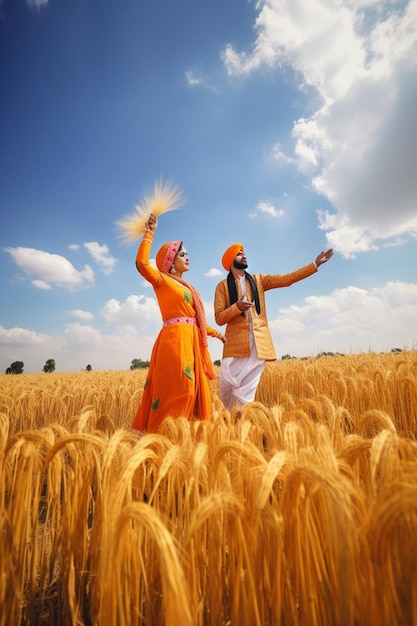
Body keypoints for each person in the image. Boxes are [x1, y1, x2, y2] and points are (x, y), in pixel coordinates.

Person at [132, 214, 226, 433]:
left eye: (187, 254)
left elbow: (197, 321)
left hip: (191, 343)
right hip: (174, 342)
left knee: (192, 392)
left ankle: (184, 444)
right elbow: (141, 264)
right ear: (170, 261)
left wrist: (218, 335)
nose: (188, 257)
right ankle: (160, 441)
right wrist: (150, 233)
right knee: (178, 390)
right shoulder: (162, 281)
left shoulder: (188, 288)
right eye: (183, 254)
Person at [213, 243, 333, 411]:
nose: (244, 256)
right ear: (231, 260)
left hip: (258, 344)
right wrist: (237, 307)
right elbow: (219, 318)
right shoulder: (222, 287)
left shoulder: (258, 280)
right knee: (226, 386)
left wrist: (315, 264)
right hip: (234, 345)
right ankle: (229, 419)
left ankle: (242, 423)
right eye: (240, 254)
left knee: (246, 393)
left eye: (244, 253)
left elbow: (286, 280)